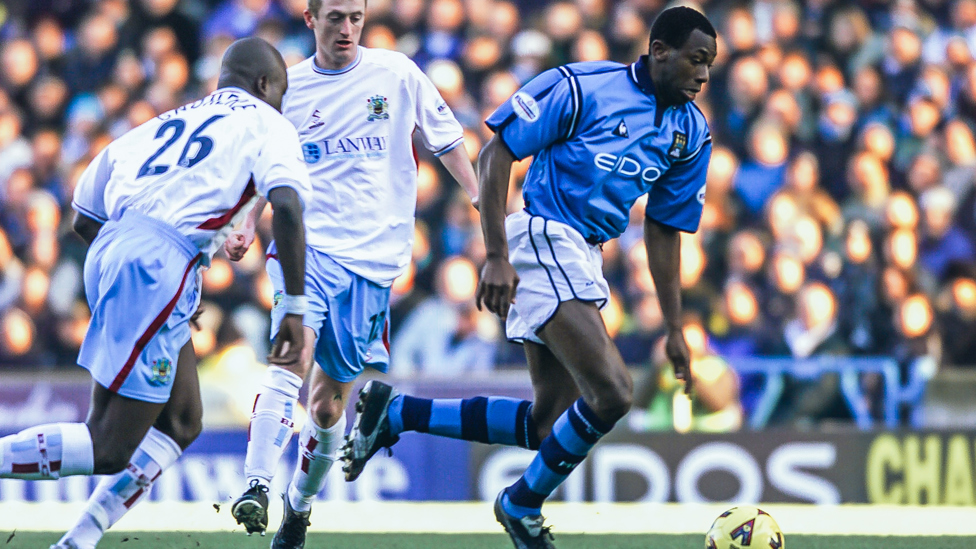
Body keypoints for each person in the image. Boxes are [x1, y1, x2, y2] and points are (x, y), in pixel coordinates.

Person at [343, 7, 717, 548]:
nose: (704, 76)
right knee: (612, 393)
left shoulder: (691, 132)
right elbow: (497, 153)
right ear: (660, 50)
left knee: (549, 425)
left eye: (709, 65)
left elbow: (664, 229)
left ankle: (397, 412)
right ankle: (520, 504)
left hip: (585, 253)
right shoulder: (582, 87)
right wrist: (494, 253)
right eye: (696, 60)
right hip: (543, 234)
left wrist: (676, 328)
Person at [1, 37, 313, 549]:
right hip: (157, 263)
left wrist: (142, 269)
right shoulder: (268, 122)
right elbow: (290, 209)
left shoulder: (160, 122)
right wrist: (295, 311)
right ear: (264, 86)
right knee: (108, 444)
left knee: (183, 420)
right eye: (279, 93)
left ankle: (77, 541)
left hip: (117, 249)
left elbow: (83, 215)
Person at [223, 0, 479, 545]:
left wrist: (480, 196)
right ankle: (256, 485)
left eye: (355, 18)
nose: (346, 28)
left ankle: (298, 506)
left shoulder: (397, 74)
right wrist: (247, 220)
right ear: (311, 19)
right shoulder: (287, 89)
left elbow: (448, 140)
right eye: (335, 17)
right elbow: (260, 169)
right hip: (307, 251)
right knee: (291, 355)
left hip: (374, 264)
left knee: (326, 404)